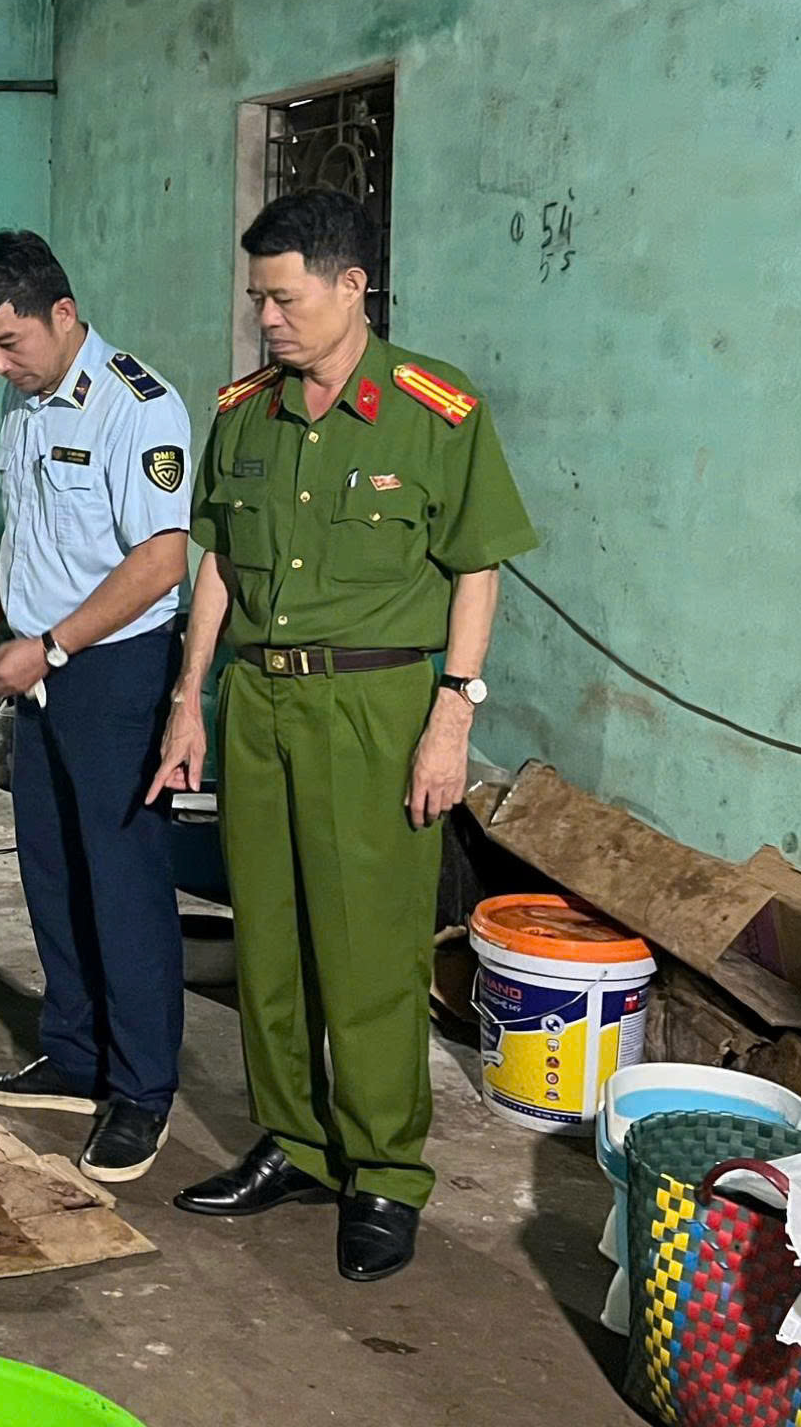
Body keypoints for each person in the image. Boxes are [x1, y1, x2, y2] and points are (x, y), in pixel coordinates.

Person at [147, 189, 539, 1280]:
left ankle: (383, 1173)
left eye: (284, 297)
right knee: (269, 944)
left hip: (377, 706)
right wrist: (188, 700)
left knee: (368, 951)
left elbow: (477, 568)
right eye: (257, 299)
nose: (266, 318)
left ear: (351, 285)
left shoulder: (434, 410)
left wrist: (452, 714)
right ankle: (297, 1143)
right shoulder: (245, 413)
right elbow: (217, 563)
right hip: (259, 706)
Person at [0, 230, 194, 1184]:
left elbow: (160, 562)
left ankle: (141, 1091)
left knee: (123, 883)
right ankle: (77, 1053)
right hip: (38, 660)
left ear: (63, 313)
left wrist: (48, 646)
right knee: (51, 870)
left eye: (8, 343)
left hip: (113, 670)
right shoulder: (25, 395)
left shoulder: (140, 406)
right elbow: (33, 520)